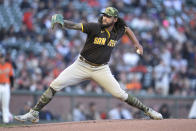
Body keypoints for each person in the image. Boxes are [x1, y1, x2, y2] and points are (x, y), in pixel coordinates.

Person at [14, 7, 163, 123]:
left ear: (115, 19)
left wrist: (137, 44)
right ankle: (34, 113)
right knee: (55, 84)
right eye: (104, 15)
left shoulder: (118, 30)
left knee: (120, 94)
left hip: (101, 69)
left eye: (108, 16)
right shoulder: (95, 27)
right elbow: (76, 26)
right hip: (81, 65)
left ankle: (148, 111)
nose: (104, 18)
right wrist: (62, 22)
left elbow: (128, 30)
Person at [0, 50, 14, 123]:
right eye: (0, 57)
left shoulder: (8, 65)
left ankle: (6, 121)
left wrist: (12, 85)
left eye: (2, 57)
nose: (1, 59)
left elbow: (11, 76)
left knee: (5, 105)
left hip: (6, 86)